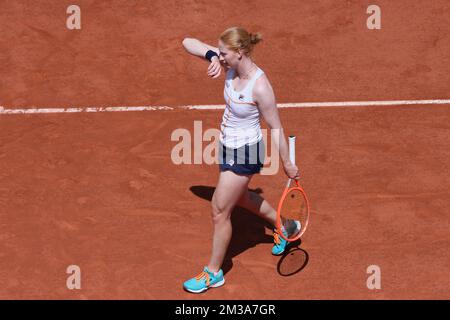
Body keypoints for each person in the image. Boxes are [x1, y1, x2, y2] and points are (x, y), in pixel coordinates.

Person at [181, 27, 300, 293]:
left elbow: (276, 127)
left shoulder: (260, 86)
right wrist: (212, 55)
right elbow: (187, 42)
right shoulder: (228, 64)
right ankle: (285, 225)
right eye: (219, 53)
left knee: (220, 210)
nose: (220, 57)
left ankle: (213, 273)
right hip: (227, 144)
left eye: (224, 53)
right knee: (243, 198)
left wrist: (287, 163)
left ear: (240, 53)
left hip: (245, 152)